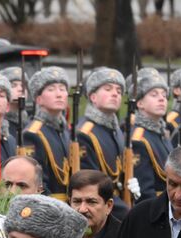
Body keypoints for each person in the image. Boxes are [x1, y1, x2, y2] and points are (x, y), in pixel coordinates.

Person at [21, 67, 74, 200]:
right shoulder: (33, 133)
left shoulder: (65, 131)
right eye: (51, 89)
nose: (59, 94)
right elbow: (36, 181)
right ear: (39, 99)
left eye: (62, 89)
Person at [76, 67, 131, 197]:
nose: (115, 94)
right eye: (108, 89)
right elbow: (90, 184)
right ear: (93, 97)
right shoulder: (85, 133)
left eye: (119, 91)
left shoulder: (116, 130)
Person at [129, 70, 172, 195]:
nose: (161, 99)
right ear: (140, 103)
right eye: (154, 95)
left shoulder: (162, 133)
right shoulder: (139, 139)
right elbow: (145, 190)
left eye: (164, 95)